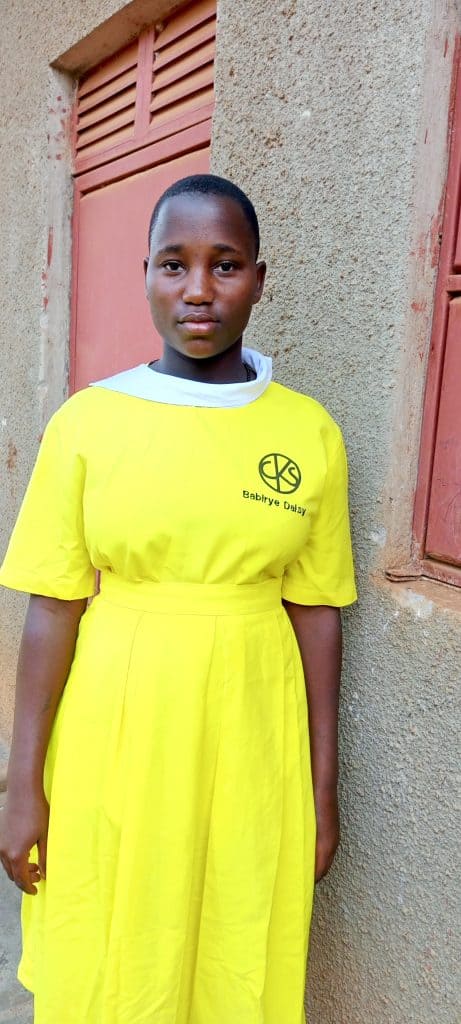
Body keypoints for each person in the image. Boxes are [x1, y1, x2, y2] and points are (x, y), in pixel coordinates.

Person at [0, 174, 356, 1024]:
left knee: (233, 928)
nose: (198, 290)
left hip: (249, 734)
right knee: (112, 934)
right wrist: (21, 783)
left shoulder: (306, 431)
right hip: (113, 732)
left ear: (259, 279)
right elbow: (52, 607)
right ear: (147, 276)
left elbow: (315, 612)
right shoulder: (89, 423)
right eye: (174, 264)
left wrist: (322, 785)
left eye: (224, 264)